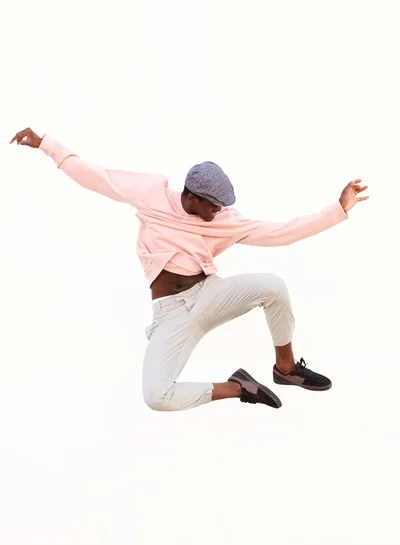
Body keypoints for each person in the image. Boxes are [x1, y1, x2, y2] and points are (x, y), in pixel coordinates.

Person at [10, 127, 369, 412]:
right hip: (171, 317)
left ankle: (286, 369)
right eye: (213, 206)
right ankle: (239, 387)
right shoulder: (152, 194)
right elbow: (96, 176)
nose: (219, 213)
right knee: (156, 396)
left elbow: (280, 232)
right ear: (192, 197)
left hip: (208, 295)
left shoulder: (224, 220)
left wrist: (337, 210)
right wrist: (47, 145)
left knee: (273, 286)